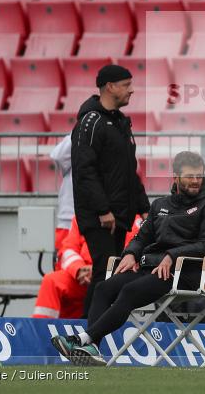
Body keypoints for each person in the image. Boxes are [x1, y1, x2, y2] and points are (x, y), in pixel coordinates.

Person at [52, 151, 205, 366]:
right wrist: (130, 253)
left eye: (199, 176)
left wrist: (173, 255)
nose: (195, 181)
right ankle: (92, 348)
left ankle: (82, 339)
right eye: (189, 176)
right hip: (152, 267)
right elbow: (141, 237)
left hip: (185, 272)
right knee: (103, 288)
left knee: (129, 292)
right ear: (176, 177)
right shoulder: (160, 205)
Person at [71, 64, 150, 315]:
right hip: (100, 215)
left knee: (112, 273)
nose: (132, 90)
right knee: (105, 271)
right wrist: (103, 210)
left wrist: (144, 208)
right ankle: (86, 331)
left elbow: (129, 172)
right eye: (126, 85)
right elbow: (84, 170)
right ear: (110, 87)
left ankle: (95, 330)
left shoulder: (119, 123)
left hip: (119, 214)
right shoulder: (90, 122)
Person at [33, 215, 143, 320]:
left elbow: (132, 254)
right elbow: (68, 250)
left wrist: (99, 269)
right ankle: (40, 330)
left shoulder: (133, 219)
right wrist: (80, 270)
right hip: (81, 276)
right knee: (51, 280)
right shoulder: (83, 216)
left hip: (113, 276)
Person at [51, 134, 74, 254]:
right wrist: (83, 128)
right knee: (64, 265)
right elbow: (58, 155)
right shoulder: (79, 134)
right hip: (68, 220)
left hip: (97, 221)